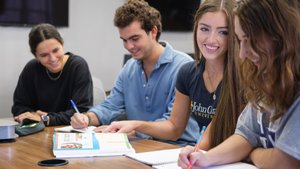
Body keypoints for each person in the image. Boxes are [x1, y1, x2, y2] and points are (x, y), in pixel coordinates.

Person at [104, 0, 243, 150]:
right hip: (205, 156)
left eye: (223, 32)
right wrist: (136, 124)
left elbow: (244, 138)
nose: (211, 39)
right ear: (196, 28)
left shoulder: (242, 78)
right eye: (204, 29)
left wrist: (201, 153)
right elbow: (174, 128)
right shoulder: (188, 72)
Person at [178, 0, 300, 168]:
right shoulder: (264, 77)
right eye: (239, 40)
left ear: (279, 34)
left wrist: (254, 153)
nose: (242, 53)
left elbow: (285, 162)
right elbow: (246, 134)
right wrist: (204, 158)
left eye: (250, 39)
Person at [70, 0, 196, 145]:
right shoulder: (129, 68)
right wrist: (87, 118)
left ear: (153, 32)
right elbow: (111, 106)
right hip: (138, 145)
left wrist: (135, 129)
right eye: (124, 40)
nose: (129, 46)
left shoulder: (183, 67)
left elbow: (172, 125)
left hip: (177, 149)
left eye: (135, 39)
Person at [12, 23, 93, 126]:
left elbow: (81, 112)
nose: (53, 58)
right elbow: (19, 107)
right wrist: (32, 116)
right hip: (38, 132)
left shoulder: (78, 66)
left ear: (62, 44)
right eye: (44, 55)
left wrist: (46, 119)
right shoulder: (31, 68)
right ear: (36, 56)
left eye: (56, 50)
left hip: (71, 131)